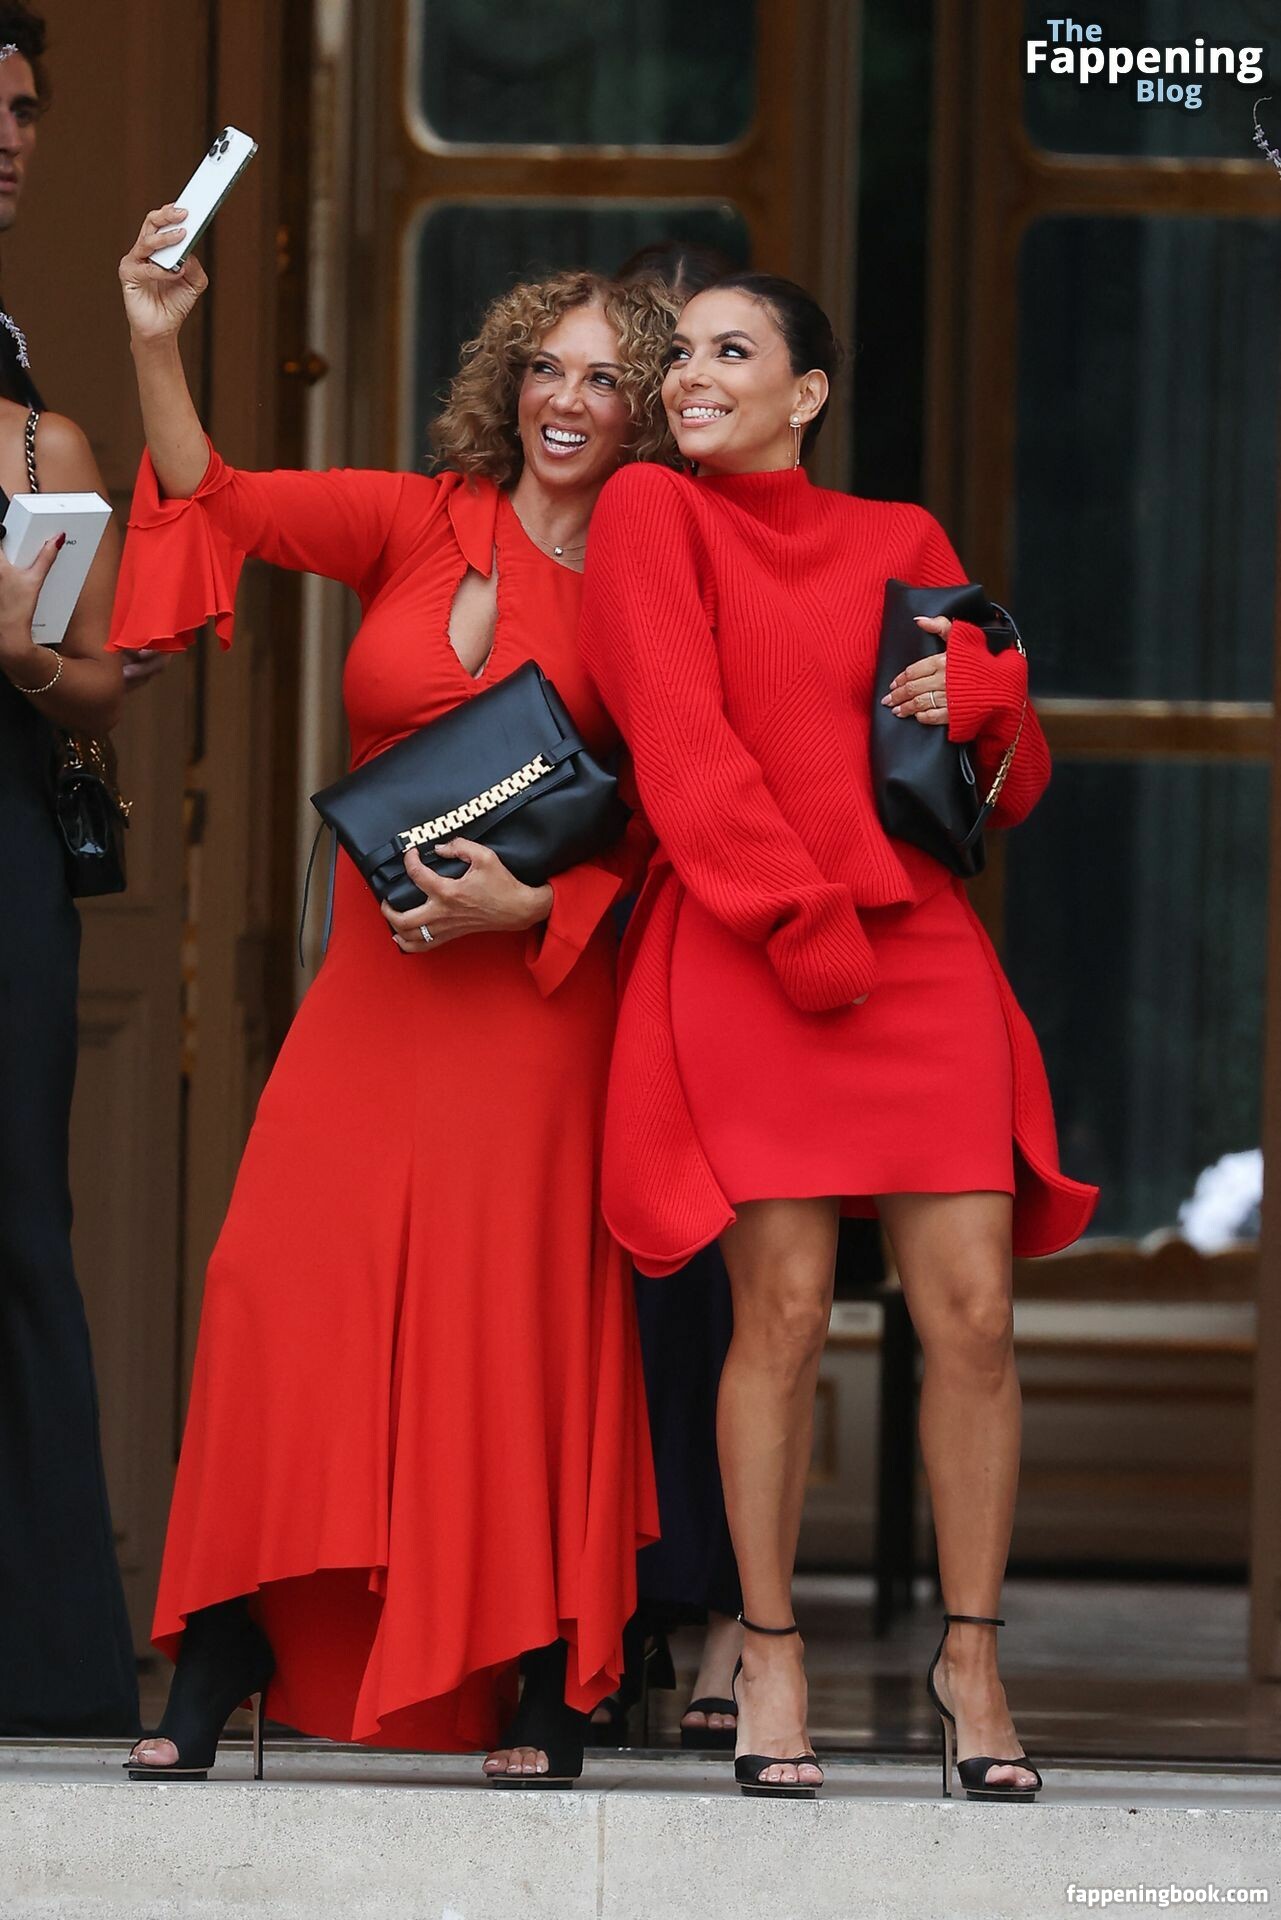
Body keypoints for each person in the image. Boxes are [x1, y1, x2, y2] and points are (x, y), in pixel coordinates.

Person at [112, 206, 669, 1786]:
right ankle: (232, 1631)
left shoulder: (655, 576)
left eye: (606, 379)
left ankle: (552, 1664)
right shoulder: (417, 516)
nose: (568, 400)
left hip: (537, 996)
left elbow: (682, 822)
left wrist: (537, 906)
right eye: (548, 369)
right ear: (510, 382)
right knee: (276, 1288)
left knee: (511, 1326)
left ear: (643, 416)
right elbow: (216, 496)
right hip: (374, 987)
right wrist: (154, 338)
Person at [579, 272, 1099, 1799]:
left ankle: (971, 1661)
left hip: (917, 956)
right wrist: (797, 918)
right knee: (785, 1315)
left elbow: (1005, 791)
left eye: (730, 352)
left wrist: (991, 699)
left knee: (975, 1316)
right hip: (755, 950)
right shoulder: (651, 515)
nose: (689, 376)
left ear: (804, 393)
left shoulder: (901, 538)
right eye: (680, 354)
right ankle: (767, 1651)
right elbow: (681, 748)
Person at [0, 4, 136, 1739]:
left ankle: (42, 1672)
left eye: (26, 108)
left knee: (20, 1229)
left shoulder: (41, 424)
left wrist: (29, 655)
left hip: (3, 854)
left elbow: (99, 682)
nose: (12, 133)